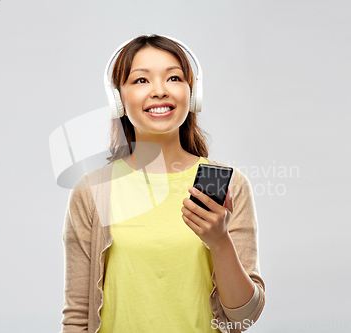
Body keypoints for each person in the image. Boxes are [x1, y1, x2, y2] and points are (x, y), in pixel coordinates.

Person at [60, 34, 265, 333]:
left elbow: (243, 318)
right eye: (141, 80)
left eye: (173, 78)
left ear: (192, 94)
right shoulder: (94, 190)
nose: (159, 91)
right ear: (118, 99)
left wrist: (220, 241)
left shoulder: (223, 183)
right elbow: (78, 316)